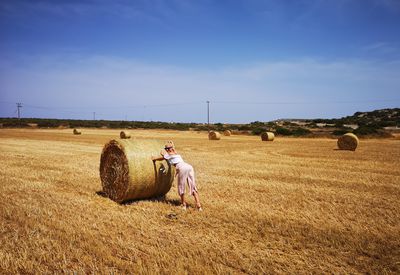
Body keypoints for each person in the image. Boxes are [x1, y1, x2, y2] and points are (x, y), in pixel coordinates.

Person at [152, 141, 202, 211]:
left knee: (181, 187)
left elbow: (161, 157)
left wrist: (153, 158)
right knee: (192, 186)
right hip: (189, 167)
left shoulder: (168, 155)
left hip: (182, 168)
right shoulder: (176, 153)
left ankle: (184, 205)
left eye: (166, 149)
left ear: (167, 149)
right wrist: (172, 145)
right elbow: (173, 151)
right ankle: (199, 205)